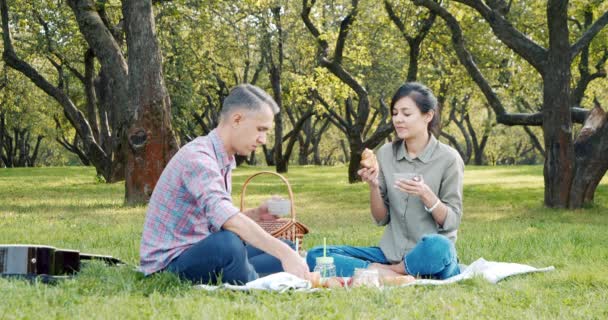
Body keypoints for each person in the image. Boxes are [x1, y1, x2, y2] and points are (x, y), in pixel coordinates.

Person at [140, 84, 310, 284]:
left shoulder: (224, 159)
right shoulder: (198, 158)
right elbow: (228, 221)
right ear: (237, 119)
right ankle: (258, 284)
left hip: (200, 249)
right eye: (260, 129)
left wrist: (257, 215)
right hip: (168, 265)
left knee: (287, 247)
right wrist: (284, 254)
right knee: (230, 245)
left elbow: (216, 220)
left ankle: (253, 275)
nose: (263, 140)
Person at [307, 82, 463, 280]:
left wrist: (426, 194)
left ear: (428, 116)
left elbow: (452, 221)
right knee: (317, 255)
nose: (398, 120)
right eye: (395, 113)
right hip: (390, 254)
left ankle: (386, 273)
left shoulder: (449, 158)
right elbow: (381, 218)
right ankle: (393, 273)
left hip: (431, 256)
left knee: (439, 246)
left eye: (406, 114)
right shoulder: (386, 153)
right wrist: (373, 186)